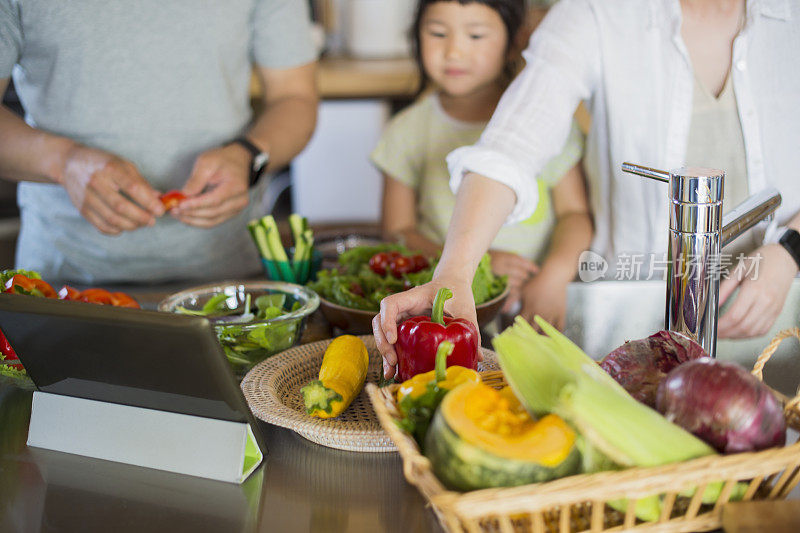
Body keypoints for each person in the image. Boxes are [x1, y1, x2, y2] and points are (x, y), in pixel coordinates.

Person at [374, 0, 800, 378]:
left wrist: (791, 249)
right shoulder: (596, 12)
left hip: (784, 313)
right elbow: (510, 146)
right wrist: (453, 273)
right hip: (632, 328)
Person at [0, 1, 318, 284]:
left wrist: (249, 156)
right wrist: (64, 162)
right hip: (62, 282)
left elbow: (294, 97)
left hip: (231, 279)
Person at [371, 0, 592, 327]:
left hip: (534, 311)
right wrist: (481, 263)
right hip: (443, 315)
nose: (454, 51)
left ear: (515, 41)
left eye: (475, 35)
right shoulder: (406, 130)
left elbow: (575, 216)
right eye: (437, 33)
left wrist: (554, 276)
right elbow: (397, 231)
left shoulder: (545, 125)